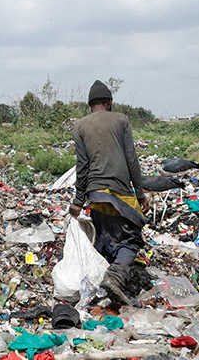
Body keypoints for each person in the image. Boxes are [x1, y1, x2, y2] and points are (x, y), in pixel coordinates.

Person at [68, 80, 148, 305]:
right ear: (110, 102)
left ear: (90, 104)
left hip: (95, 195)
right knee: (131, 239)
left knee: (103, 239)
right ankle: (114, 278)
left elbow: (82, 166)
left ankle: (100, 291)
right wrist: (140, 194)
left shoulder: (80, 126)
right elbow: (131, 158)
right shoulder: (121, 120)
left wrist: (78, 200)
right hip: (119, 193)